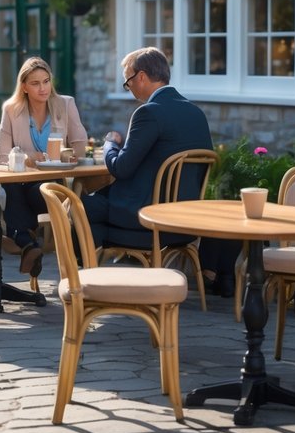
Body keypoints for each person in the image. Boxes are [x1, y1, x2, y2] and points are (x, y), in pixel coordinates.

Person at [82, 47, 227, 294]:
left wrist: (110, 143)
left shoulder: (149, 112)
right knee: (91, 221)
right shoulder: (196, 113)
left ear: (141, 77)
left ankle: (84, 281)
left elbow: (121, 168)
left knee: (73, 207)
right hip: (185, 216)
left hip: (147, 215)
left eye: (128, 82)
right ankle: (93, 278)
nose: (129, 90)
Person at [0, 56, 87, 277]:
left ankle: (26, 242)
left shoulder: (65, 104)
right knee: (14, 186)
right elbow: (2, 156)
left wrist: (64, 156)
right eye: (35, 83)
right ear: (24, 87)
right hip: (21, 181)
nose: (43, 88)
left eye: (46, 81)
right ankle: (29, 245)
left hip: (52, 185)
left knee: (24, 190)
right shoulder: (11, 109)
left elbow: (80, 146)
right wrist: (29, 159)